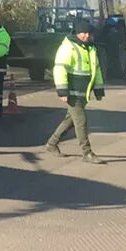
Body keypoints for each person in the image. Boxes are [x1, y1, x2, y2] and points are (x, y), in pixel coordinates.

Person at [46, 17, 105, 162]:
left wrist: (98, 88)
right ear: (77, 32)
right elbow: (60, 68)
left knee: (70, 120)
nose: (86, 35)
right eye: (83, 32)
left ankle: (52, 143)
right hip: (72, 92)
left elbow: (95, 69)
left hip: (83, 92)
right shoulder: (68, 47)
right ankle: (87, 153)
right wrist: (62, 90)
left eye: (88, 32)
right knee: (81, 121)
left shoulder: (90, 47)